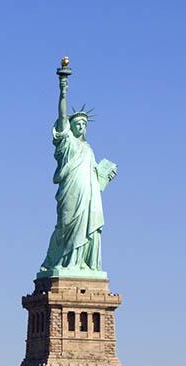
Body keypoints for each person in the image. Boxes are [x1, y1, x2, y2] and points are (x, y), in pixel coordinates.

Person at [39, 59, 116, 276]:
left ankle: (84, 263)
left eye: (84, 124)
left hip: (89, 194)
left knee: (89, 227)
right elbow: (62, 116)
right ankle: (66, 262)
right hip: (71, 191)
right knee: (66, 225)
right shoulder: (67, 142)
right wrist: (63, 88)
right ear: (70, 127)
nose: (81, 126)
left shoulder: (88, 149)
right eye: (77, 124)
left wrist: (104, 177)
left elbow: (94, 180)